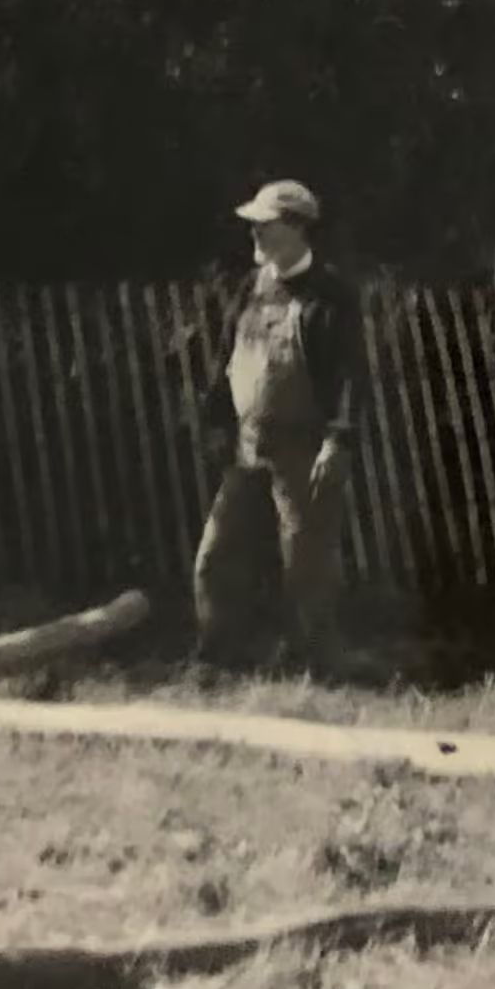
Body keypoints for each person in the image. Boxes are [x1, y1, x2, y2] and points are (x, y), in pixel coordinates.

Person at [192, 178, 366, 677]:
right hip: (249, 446)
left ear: (297, 228)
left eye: (264, 225)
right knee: (217, 553)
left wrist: (338, 439)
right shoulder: (251, 286)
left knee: (305, 562)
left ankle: (317, 664)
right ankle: (216, 659)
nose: (255, 233)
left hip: (303, 450)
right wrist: (216, 420)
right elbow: (227, 356)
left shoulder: (331, 295)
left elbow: (352, 375)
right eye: (253, 225)